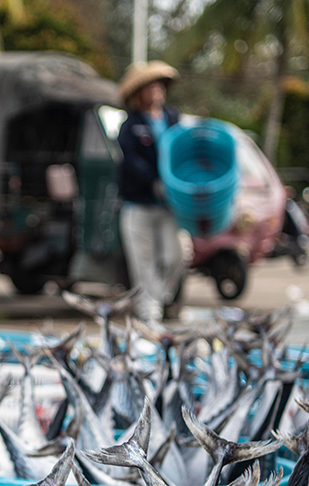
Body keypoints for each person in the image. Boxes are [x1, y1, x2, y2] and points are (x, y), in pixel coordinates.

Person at [116, 60, 186, 321]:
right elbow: (131, 161)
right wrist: (154, 182)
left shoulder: (173, 118)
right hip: (139, 205)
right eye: (150, 87)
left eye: (159, 86)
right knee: (143, 263)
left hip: (169, 207)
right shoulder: (130, 126)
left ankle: (159, 298)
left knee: (176, 256)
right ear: (139, 92)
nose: (156, 91)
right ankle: (150, 318)